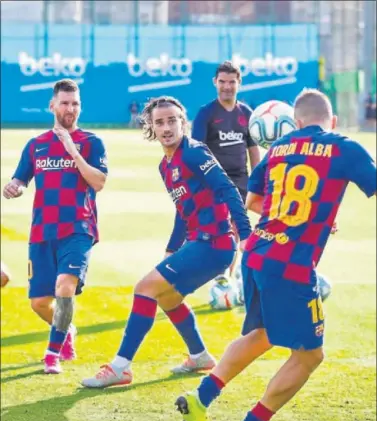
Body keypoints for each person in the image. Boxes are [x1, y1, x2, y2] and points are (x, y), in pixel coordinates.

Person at [175, 88, 376, 421]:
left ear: (295, 123)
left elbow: (253, 201)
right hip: (292, 264)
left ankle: (200, 399)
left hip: (255, 254)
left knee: (261, 335)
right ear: (331, 121)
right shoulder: (343, 146)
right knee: (310, 355)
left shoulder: (278, 150)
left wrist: (302, 213)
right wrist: (312, 214)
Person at [81, 95, 251, 388]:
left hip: (215, 243)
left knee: (144, 289)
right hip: (199, 242)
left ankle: (121, 367)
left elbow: (229, 190)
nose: (167, 127)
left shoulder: (195, 153)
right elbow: (182, 210)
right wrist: (173, 248)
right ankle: (199, 356)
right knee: (169, 298)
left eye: (172, 120)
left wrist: (246, 234)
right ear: (151, 127)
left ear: (183, 123)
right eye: (160, 122)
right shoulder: (166, 165)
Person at [2, 79, 108, 374]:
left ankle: (52, 353)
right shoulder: (36, 145)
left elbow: (98, 183)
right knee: (38, 303)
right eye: (64, 102)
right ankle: (67, 330)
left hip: (78, 228)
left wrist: (72, 150)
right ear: (52, 105)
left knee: (65, 287)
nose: (70, 108)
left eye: (75, 103)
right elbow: (20, 179)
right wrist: (14, 187)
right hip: (42, 231)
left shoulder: (91, 142)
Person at [191, 60, 260, 291]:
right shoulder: (206, 114)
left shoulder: (247, 113)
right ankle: (222, 274)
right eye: (222, 82)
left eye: (231, 82)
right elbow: (196, 151)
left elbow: (253, 150)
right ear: (215, 82)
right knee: (222, 229)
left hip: (241, 182)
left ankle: (225, 277)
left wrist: (258, 182)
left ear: (239, 83)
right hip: (215, 182)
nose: (227, 87)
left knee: (236, 228)